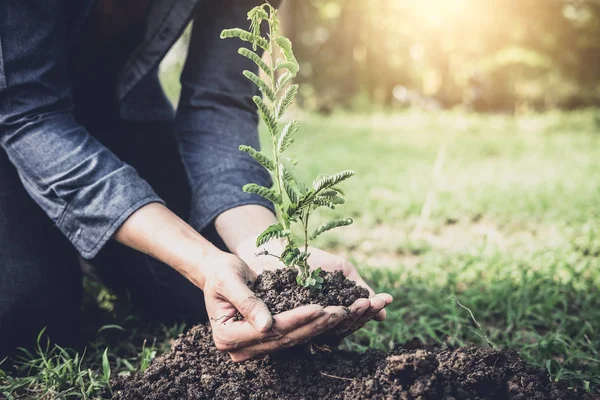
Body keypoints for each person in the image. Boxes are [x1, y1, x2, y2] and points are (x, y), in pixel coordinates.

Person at [0, 0, 392, 362]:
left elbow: (218, 101)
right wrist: (201, 259)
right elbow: (29, 114)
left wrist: (266, 251)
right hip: (19, 121)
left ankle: (96, 238)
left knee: (221, 295)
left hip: (122, 110)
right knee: (26, 315)